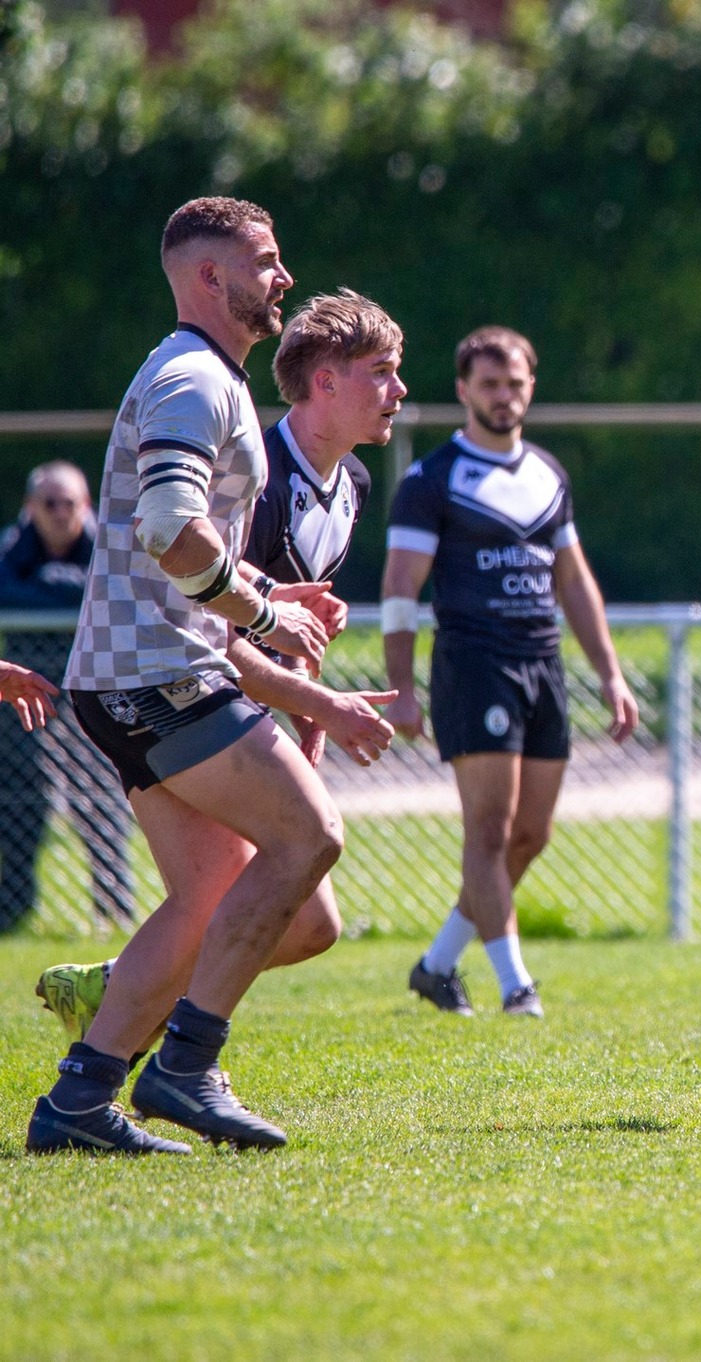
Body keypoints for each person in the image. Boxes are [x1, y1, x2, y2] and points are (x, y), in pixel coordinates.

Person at [23, 196, 387, 1157]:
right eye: (265, 262)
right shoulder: (195, 378)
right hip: (161, 670)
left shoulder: (198, 377)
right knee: (311, 836)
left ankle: (77, 1103)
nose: (284, 277)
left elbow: (186, 542)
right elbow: (167, 530)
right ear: (209, 278)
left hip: (127, 670)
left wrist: (273, 590)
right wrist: (265, 617)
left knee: (220, 902)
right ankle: (185, 1069)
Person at [383, 325, 638, 1019]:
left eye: (515, 383)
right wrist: (401, 686)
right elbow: (401, 585)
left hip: (542, 663)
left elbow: (574, 580)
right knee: (489, 834)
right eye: (489, 384)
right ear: (463, 390)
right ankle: (516, 986)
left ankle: (437, 965)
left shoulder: (548, 474)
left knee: (532, 836)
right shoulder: (431, 479)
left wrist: (610, 674)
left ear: (531, 386)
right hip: (474, 663)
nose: (504, 396)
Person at [0, 462, 134, 930]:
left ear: (87, 507)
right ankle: (12, 915)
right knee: (20, 799)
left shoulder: (107, 549)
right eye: (49, 504)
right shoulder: (12, 548)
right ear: (29, 508)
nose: (60, 513)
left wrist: (41, 584)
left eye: (70, 503)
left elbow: (116, 592)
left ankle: (114, 909)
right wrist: (66, 589)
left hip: (92, 690)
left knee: (99, 797)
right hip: (23, 696)